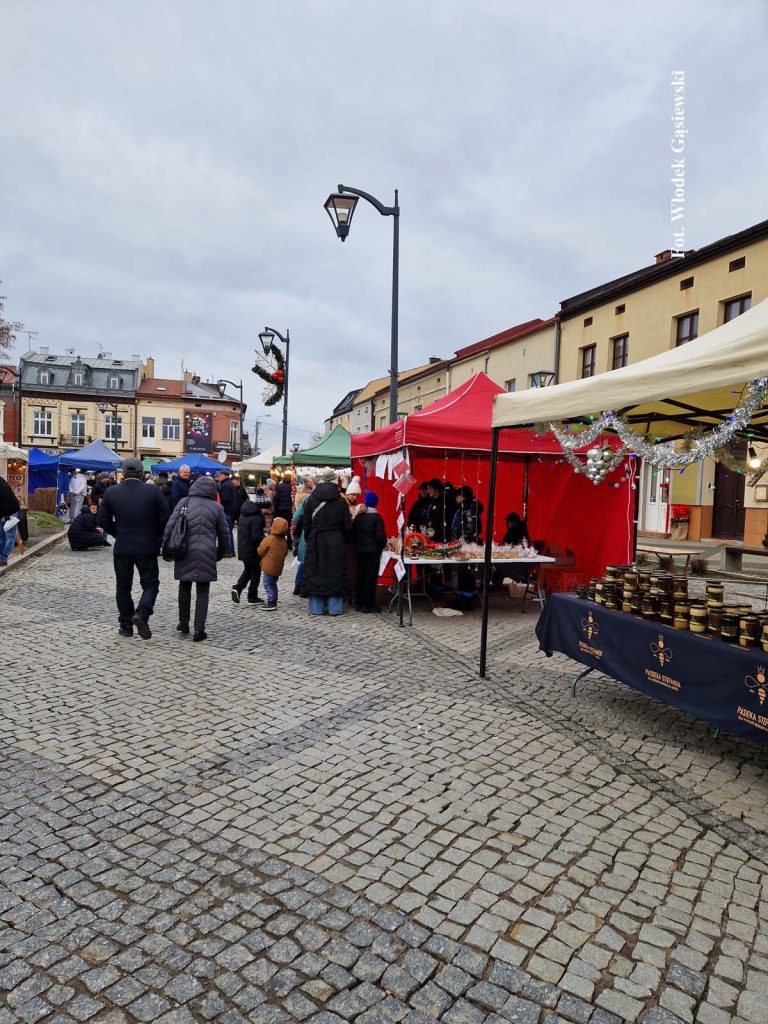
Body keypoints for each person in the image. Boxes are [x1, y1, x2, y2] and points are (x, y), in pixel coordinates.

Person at [97, 457, 170, 639]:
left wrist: (117, 533)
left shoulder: (111, 492)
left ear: (123, 474)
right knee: (151, 585)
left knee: (123, 588)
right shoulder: (153, 491)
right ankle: (142, 613)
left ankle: (126, 625)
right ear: (141, 473)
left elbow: (102, 520)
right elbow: (165, 518)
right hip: (147, 546)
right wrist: (155, 536)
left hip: (123, 546)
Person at [163, 475, 229, 641]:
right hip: (207, 552)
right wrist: (220, 553)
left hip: (184, 550)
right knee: (203, 590)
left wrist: (165, 546)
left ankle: (183, 623)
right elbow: (224, 534)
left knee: (184, 586)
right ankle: (199, 629)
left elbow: (170, 526)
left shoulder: (183, 502)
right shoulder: (217, 508)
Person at [302, 467, 352, 616]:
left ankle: (316, 608)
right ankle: (334, 608)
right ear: (335, 482)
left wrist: (311, 538)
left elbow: (306, 524)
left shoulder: (311, 499)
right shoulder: (341, 501)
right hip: (336, 541)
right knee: (335, 573)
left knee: (315, 572)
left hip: (316, 539)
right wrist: (343, 539)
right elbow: (347, 525)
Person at [353, 492, 387, 613]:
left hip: (360, 551)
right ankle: (368, 604)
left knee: (360, 576)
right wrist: (383, 544)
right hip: (373, 552)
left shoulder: (359, 518)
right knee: (370, 577)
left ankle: (359, 603)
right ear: (376, 503)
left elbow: (353, 534)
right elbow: (380, 537)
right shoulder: (377, 518)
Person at [231, 496, 266, 604]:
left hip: (244, 548)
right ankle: (252, 596)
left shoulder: (244, 513)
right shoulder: (256, 517)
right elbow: (256, 536)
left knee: (248, 570)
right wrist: (265, 539)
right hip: (253, 550)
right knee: (255, 573)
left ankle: (237, 588)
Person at [256, 516, 289, 610]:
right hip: (278, 568)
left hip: (268, 567)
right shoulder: (284, 541)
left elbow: (261, 551)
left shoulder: (269, 539)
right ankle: (274, 599)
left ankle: (271, 602)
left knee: (267, 583)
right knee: (273, 583)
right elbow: (285, 553)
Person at [291, 483, 312, 597]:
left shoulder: (306, 499)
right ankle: (305, 588)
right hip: (319, 535)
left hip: (305, 533)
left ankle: (298, 586)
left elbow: (295, 517)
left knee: (303, 561)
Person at [0, 473, 21, 567]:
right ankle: (1, 557)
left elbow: (7, 499)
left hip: (10, 511)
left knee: (9, 536)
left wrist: (5, 516)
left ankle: (3, 558)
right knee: (2, 536)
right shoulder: (2, 481)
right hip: (5, 511)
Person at [216, 470, 237, 555]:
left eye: (220, 475)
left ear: (224, 475)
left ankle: (228, 551)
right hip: (230, 510)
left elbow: (225, 498)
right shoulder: (229, 483)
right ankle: (231, 550)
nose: (219, 477)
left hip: (227, 510)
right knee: (229, 531)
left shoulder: (226, 485)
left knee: (227, 531)